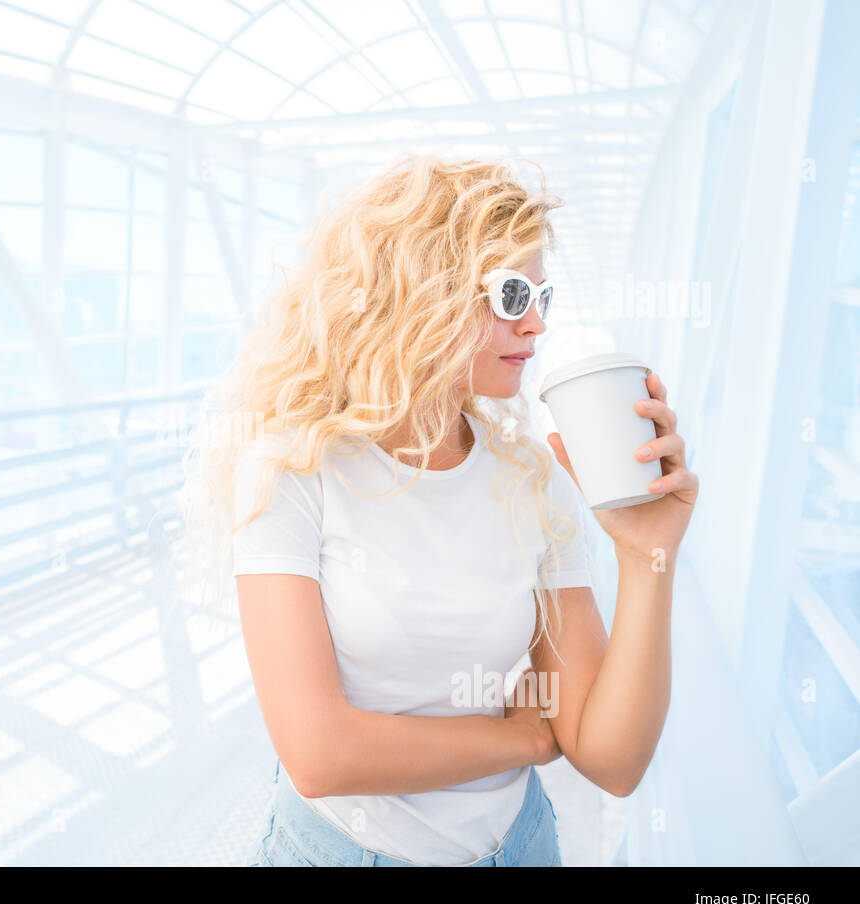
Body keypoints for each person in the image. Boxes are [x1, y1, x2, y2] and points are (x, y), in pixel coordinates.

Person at [178, 154, 698, 867]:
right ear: (425, 289)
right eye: (512, 294)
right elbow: (318, 753)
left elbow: (612, 759)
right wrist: (522, 740)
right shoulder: (291, 469)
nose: (535, 325)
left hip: (521, 847)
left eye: (542, 299)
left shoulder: (532, 477)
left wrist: (646, 556)